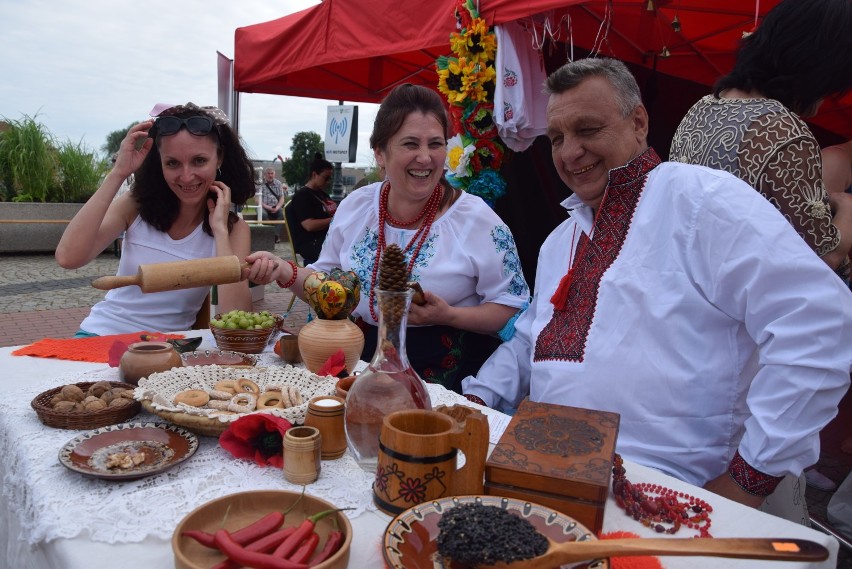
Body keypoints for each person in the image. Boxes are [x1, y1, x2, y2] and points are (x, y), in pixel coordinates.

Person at [461, 58, 852, 508]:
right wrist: (475, 398)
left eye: (587, 130)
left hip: (677, 493)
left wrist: (748, 479)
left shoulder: (702, 199)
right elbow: (533, 338)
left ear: (639, 123)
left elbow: (819, 322)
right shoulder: (560, 240)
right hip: (557, 479)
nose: (569, 153)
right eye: (557, 139)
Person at [246, 84, 530, 393]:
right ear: (380, 153)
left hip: (444, 374)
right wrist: (284, 271)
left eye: (435, 144)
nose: (425, 157)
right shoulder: (358, 205)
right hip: (359, 362)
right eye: (410, 144)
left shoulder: (477, 220)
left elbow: (513, 308)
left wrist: (450, 314)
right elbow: (328, 283)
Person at [669, 0, 852, 279]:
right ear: (817, 65)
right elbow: (819, 260)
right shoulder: (783, 131)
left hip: (694, 290)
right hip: (746, 308)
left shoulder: (703, 107)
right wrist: (847, 216)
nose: (827, 98)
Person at [56, 103, 254, 335]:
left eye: (199, 160)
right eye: (172, 163)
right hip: (101, 335)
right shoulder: (136, 204)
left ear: (219, 158)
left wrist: (220, 230)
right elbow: (68, 257)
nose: (187, 176)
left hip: (170, 349)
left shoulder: (234, 229)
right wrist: (119, 172)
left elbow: (236, 320)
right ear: (159, 162)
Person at [287, 154, 337, 264]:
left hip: (323, 240)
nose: (328, 181)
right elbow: (308, 225)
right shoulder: (302, 196)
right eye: (326, 178)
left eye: (330, 178)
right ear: (314, 174)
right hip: (312, 244)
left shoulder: (322, 194)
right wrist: (335, 219)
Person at [258, 167, 286, 243]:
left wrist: (277, 207)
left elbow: (281, 198)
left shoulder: (278, 183)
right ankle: (272, 234)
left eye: (272, 173)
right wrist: (268, 207)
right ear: (265, 175)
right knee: (263, 214)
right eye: (268, 173)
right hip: (263, 206)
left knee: (282, 213)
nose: (270, 175)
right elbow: (257, 200)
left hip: (275, 206)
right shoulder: (260, 183)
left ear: (274, 174)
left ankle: (275, 235)